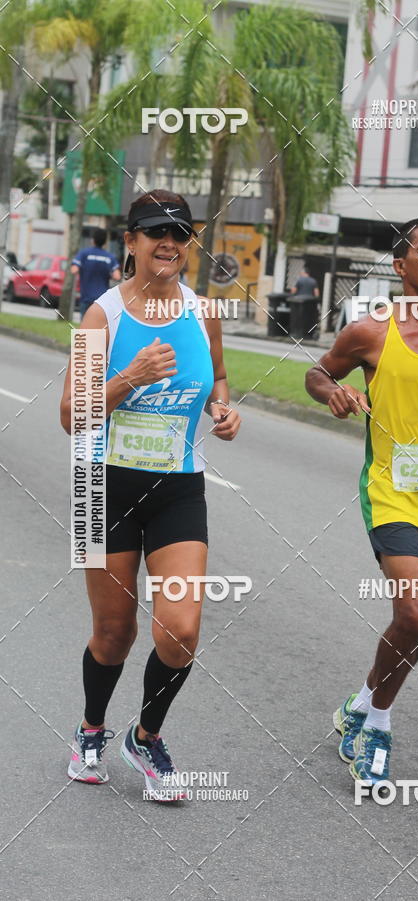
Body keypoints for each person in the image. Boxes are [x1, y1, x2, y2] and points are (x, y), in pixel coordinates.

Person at [60, 189, 241, 800]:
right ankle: (91, 729)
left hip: (177, 489)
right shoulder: (102, 317)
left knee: (181, 628)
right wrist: (127, 379)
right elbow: (70, 416)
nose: (169, 242)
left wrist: (222, 406)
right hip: (100, 486)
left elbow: (216, 375)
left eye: (181, 232)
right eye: (155, 231)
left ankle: (145, 735)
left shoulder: (203, 311)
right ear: (130, 241)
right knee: (114, 632)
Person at [305, 218, 418, 786]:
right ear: (400, 266)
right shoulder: (370, 331)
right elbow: (316, 373)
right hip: (390, 493)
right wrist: (333, 391)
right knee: (413, 611)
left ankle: (360, 703)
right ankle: (379, 726)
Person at [71, 227, 122, 319]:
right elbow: (117, 276)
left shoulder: (84, 254)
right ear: (105, 242)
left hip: (86, 298)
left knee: (85, 329)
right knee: (98, 327)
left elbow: (74, 269)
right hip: (102, 301)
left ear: (93, 240)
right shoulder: (109, 257)